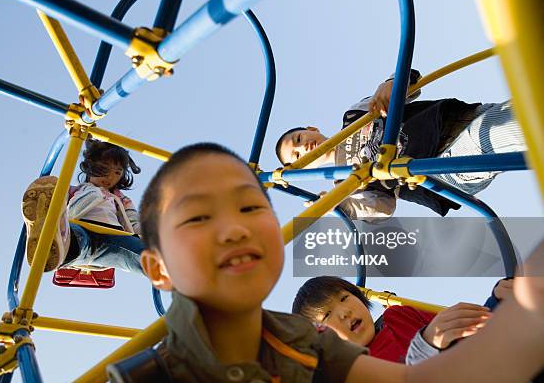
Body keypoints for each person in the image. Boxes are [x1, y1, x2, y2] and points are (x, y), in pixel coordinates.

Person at [106, 142, 544, 382]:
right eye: (200, 216)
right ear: (158, 269)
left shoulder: (312, 348)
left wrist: (503, 304)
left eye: (251, 208)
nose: (236, 229)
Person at [275, 70, 526, 221]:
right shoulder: (344, 183)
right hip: (441, 166)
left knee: (525, 106)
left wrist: (391, 82)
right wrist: (338, 205)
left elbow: (408, 83)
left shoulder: (353, 116)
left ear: (311, 130)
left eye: (298, 140)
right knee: (515, 126)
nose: (303, 149)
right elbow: (382, 208)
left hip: (458, 118)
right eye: (296, 156)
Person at [292, 276, 514, 364]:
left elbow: (471, 338)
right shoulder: (347, 370)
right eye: (327, 315)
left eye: (344, 298)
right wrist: (426, 347)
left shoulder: (398, 315)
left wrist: (495, 303)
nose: (344, 312)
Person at [22, 139, 144, 274]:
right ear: (90, 166)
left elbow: (133, 221)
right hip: (82, 229)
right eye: (104, 168)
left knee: (141, 252)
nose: (109, 176)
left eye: (117, 172)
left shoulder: (121, 199)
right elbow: (57, 201)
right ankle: (48, 243)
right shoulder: (76, 190)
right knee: (74, 238)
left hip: (115, 238)